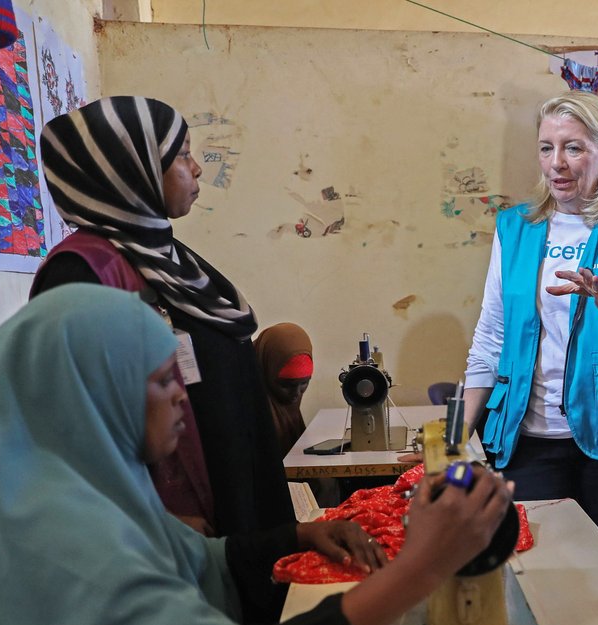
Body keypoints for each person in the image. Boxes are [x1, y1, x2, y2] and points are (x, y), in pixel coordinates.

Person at [0, 285, 513, 625]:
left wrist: (300, 533)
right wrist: (417, 570)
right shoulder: (63, 544)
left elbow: (201, 557)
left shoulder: (79, 498)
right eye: (160, 380)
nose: (182, 400)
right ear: (90, 394)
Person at [30, 97, 372, 591]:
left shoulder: (168, 260)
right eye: (181, 156)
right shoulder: (81, 274)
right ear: (131, 169)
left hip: (238, 500)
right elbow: (71, 431)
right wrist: (147, 518)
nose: (196, 171)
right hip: (167, 536)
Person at [460, 90, 598, 569]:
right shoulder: (515, 228)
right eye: (546, 147)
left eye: (573, 148)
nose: (556, 163)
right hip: (529, 440)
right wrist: (457, 435)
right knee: (536, 576)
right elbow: (490, 338)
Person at [254, 322, 314, 458]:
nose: (297, 394)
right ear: (265, 370)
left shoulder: (286, 414)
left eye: (304, 383)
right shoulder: (247, 412)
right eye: (286, 385)